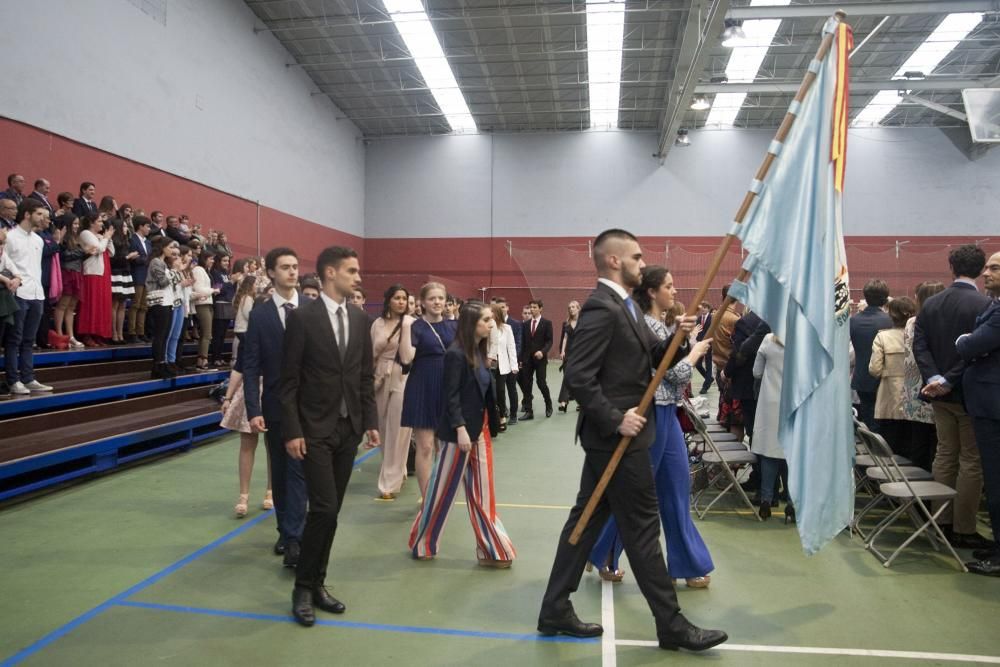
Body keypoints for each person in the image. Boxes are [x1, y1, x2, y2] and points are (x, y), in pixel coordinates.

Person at [538, 229, 726, 652]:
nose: (644, 264)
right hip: (618, 439)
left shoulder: (626, 307)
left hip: (622, 437)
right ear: (613, 261)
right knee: (642, 527)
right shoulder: (601, 307)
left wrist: (681, 337)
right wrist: (613, 418)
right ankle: (671, 624)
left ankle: (553, 608)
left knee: (584, 520)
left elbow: (655, 360)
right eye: (637, 257)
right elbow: (577, 375)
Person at [588, 265, 716, 587]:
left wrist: (686, 343)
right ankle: (604, 553)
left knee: (676, 490)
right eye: (669, 286)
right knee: (634, 494)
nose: (674, 291)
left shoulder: (661, 325)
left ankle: (686, 563)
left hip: (668, 414)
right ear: (652, 292)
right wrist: (695, 353)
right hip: (650, 419)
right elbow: (674, 376)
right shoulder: (646, 327)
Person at [280, 246, 379, 627]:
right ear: (331, 273)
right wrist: (292, 429)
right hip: (314, 429)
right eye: (352, 271)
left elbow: (363, 376)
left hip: (347, 428)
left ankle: (318, 583)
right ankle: (303, 588)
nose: (358, 277)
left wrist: (368, 420)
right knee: (322, 508)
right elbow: (287, 382)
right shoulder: (303, 318)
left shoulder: (359, 319)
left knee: (332, 510)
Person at [408, 300, 516, 565]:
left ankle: (492, 549)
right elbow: (451, 396)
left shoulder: (479, 353)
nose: (492, 324)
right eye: (486, 320)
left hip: (480, 432)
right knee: (440, 492)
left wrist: (494, 418)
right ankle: (422, 543)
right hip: (459, 435)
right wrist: (460, 430)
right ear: (472, 324)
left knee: (483, 493)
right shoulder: (455, 354)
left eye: (491, 320)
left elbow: (482, 391)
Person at [913, 244, 993, 550]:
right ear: (982, 269)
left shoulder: (931, 305)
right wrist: (949, 379)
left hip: (938, 396)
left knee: (945, 455)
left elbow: (919, 344)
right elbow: (976, 349)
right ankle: (964, 527)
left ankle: (940, 522)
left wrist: (934, 377)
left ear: (951, 267)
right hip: (970, 394)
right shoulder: (985, 304)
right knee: (971, 461)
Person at [244, 247, 307, 568]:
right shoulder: (260, 315)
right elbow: (251, 366)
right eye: (285, 267)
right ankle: (287, 530)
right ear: (270, 272)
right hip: (274, 405)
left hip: (310, 407)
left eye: (295, 267)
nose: (292, 272)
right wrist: (253, 410)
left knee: (300, 471)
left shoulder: (313, 309)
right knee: (281, 472)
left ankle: (296, 537)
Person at [956, 251, 1000, 576]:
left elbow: (971, 345)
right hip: (986, 404)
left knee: (996, 482)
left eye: (995, 268)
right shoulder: (992, 307)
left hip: (993, 406)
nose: (986, 272)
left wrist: (967, 341)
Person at [399, 282, 458, 499]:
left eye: (440, 298)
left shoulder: (455, 327)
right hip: (423, 386)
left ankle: (441, 495)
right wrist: (406, 327)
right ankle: (427, 498)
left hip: (447, 388)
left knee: (444, 447)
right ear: (423, 302)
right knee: (424, 447)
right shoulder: (415, 327)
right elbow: (406, 358)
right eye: (432, 298)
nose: (437, 302)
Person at [3, 199, 53, 395]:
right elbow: (4, 264)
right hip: (18, 293)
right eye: (39, 214)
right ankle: (13, 380)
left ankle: (28, 377)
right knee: (14, 339)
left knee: (29, 339)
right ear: (27, 214)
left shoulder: (38, 240)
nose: (43, 218)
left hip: (36, 293)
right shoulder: (10, 237)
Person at [370, 285, 414, 499]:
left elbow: (409, 356)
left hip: (402, 376)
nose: (401, 302)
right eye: (397, 298)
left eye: (404, 299)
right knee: (383, 428)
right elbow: (370, 354)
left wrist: (405, 327)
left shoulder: (410, 324)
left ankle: (389, 482)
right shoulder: (377, 324)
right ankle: (400, 468)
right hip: (379, 377)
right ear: (388, 300)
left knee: (398, 428)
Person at [900, 282, 945, 471]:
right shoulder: (942, 321)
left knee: (918, 441)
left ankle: (917, 491)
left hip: (912, 387)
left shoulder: (912, 322)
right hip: (935, 386)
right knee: (939, 443)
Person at [869, 297, 919, 457]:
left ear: (891, 315)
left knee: (888, 446)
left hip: (888, 395)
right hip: (914, 396)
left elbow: (875, 369)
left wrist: (888, 373)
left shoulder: (882, 337)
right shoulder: (918, 336)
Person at [751, 332, 794, 522]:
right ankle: (793, 504)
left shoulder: (768, 339)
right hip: (795, 403)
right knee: (792, 456)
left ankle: (766, 500)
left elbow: (757, 372)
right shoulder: (804, 340)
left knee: (769, 453)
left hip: (770, 403)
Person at [850, 279, 893, 432]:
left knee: (868, 419)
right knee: (885, 423)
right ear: (886, 298)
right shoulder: (890, 321)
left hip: (862, 378)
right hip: (885, 378)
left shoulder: (853, 321)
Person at [711, 285, 742, 438]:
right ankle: (735, 457)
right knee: (735, 418)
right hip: (731, 371)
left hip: (718, 366)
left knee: (724, 410)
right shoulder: (735, 319)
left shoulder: (715, 315)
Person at [146, 239, 179, 379]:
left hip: (167, 301)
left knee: (165, 335)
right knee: (160, 335)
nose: (172, 250)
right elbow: (163, 282)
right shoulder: (156, 262)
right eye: (170, 247)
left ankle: (163, 363)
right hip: (159, 302)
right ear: (162, 247)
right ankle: (157, 365)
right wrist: (174, 271)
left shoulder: (164, 263)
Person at [54, 215, 85, 348]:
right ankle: (60, 333)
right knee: (63, 304)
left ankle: (70, 335)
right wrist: (83, 252)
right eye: (74, 224)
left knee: (72, 306)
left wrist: (84, 252)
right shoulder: (63, 238)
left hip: (77, 272)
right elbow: (64, 256)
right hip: (67, 272)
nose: (76, 227)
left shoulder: (76, 239)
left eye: (78, 224)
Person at [520, 299, 554, 419]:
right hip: (527, 360)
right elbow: (522, 343)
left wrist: (543, 352)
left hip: (540, 360)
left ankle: (548, 404)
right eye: (531, 307)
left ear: (540, 308)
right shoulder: (525, 325)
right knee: (527, 385)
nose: (532, 310)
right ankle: (529, 411)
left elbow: (550, 341)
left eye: (534, 307)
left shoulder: (547, 323)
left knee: (541, 383)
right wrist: (521, 359)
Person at [488, 303, 519, 431]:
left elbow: (511, 347)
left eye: (492, 312)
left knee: (501, 391)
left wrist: (514, 365)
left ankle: (502, 416)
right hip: (489, 364)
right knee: (491, 392)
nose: (490, 315)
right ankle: (491, 419)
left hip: (502, 365)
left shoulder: (507, 328)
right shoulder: (486, 327)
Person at [109, 215, 137, 344]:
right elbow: (112, 260)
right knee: (114, 305)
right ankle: (113, 333)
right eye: (124, 226)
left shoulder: (126, 241)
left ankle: (120, 333)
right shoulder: (113, 241)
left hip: (125, 273)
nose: (126, 228)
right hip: (116, 273)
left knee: (123, 305)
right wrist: (127, 258)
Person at [126, 216, 153, 343]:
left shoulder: (148, 242)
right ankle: (132, 332)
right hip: (137, 274)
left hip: (147, 275)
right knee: (135, 304)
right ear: (140, 226)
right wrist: (145, 260)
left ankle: (141, 332)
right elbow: (133, 258)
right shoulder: (133, 239)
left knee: (144, 306)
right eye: (147, 226)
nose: (149, 229)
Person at [190, 254, 218, 369]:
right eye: (210, 258)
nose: (212, 261)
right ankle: (204, 360)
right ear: (204, 259)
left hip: (207, 303)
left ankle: (200, 360)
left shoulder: (205, 270)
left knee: (205, 334)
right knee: (207, 334)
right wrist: (213, 290)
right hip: (202, 304)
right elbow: (199, 289)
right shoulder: (198, 270)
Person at [209, 254, 236, 367]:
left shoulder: (226, 274)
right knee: (218, 334)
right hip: (220, 304)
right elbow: (218, 289)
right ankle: (215, 358)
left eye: (228, 261)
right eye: (224, 260)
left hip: (228, 304)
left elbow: (230, 290)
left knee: (223, 334)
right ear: (218, 261)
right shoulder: (216, 273)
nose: (226, 263)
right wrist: (230, 282)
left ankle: (219, 357)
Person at [557, 300, 580, 413]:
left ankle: (581, 402)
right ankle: (563, 402)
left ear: (578, 308)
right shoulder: (566, 323)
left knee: (581, 378)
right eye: (569, 307)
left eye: (573, 307)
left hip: (580, 353)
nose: (571, 309)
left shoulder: (583, 322)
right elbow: (565, 338)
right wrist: (562, 351)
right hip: (568, 354)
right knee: (567, 377)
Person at [694, 301, 714, 394]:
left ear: (708, 308)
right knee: (698, 364)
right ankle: (709, 378)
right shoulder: (698, 319)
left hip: (709, 344)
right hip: (700, 344)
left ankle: (705, 387)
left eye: (705, 307)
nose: (703, 309)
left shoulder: (712, 318)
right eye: (702, 307)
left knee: (708, 364)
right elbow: (697, 331)